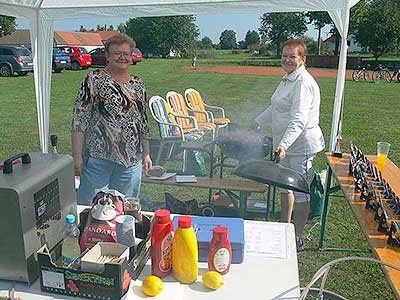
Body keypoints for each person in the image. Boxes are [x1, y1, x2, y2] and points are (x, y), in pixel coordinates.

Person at [254, 40, 325, 250]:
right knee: (285, 188)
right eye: (284, 55)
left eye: (292, 56)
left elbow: (298, 120)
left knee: (300, 191)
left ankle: (297, 237)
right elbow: (276, 107)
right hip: (285, 145)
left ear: (302, 59)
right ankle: (283, 228)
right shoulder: (288, 79)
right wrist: (257, 121)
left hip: (301, 145)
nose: (287, 59)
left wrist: (283, 145)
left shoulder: (302, 82)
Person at [72, 33, 152, 205]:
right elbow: (80, 119)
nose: (122, 57)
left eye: (126, 53)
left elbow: (143, 121)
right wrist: (77, 155)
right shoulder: (93, 79)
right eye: (117, 53)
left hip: (131, 162)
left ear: (132, 57)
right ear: (107, 56)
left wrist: (146, 154)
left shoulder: (138, 84)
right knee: (90, 209)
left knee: (125, 209)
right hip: (98, 159)